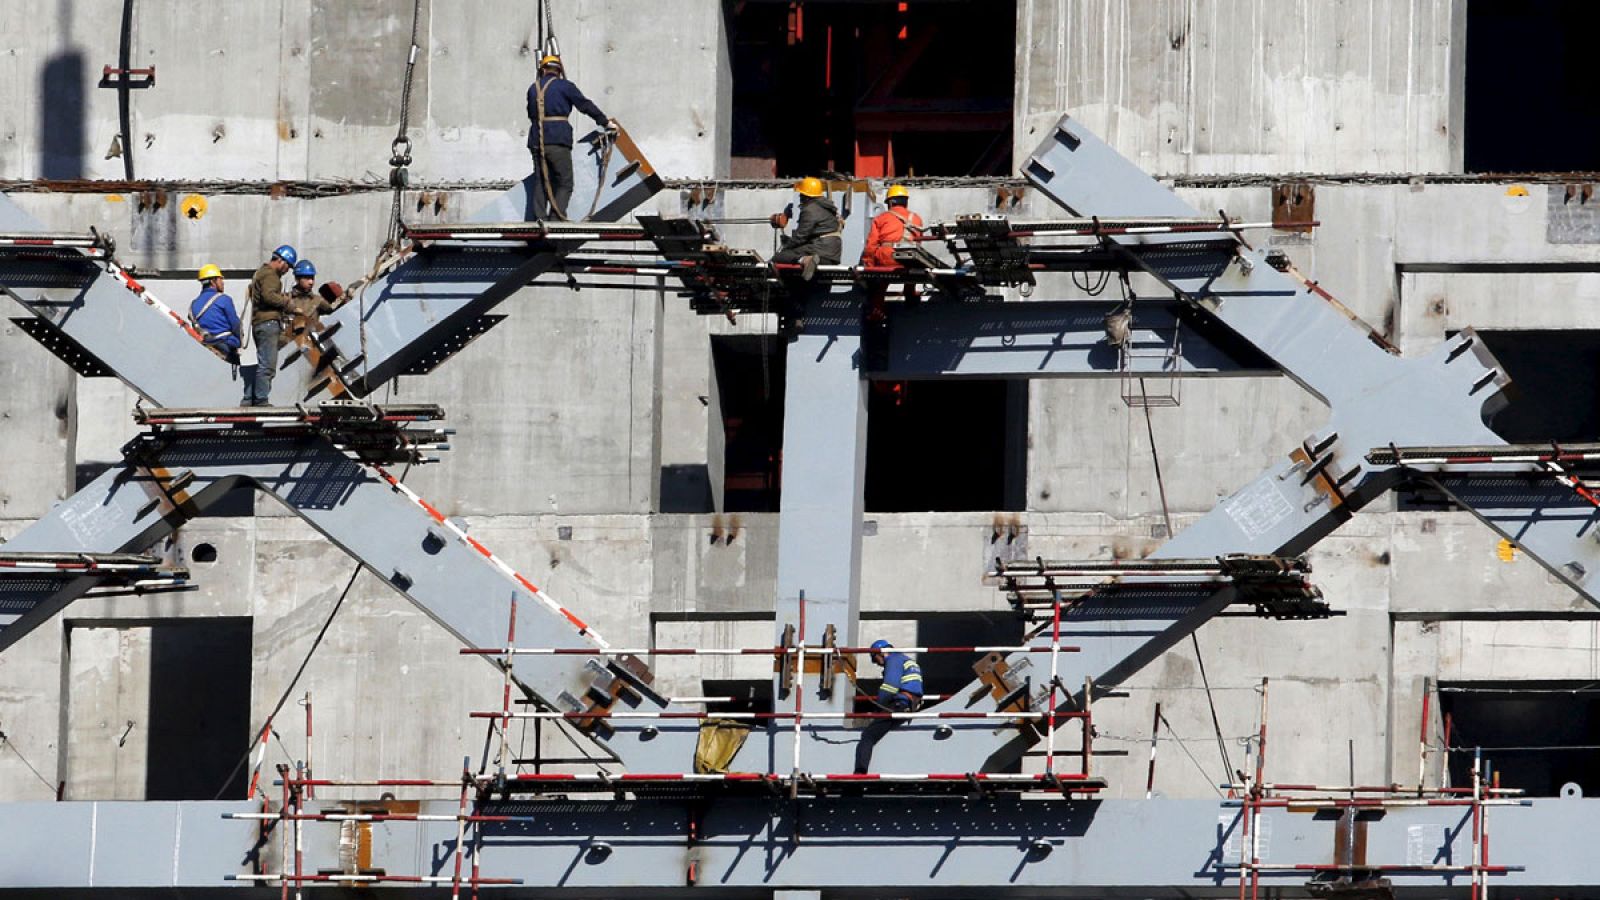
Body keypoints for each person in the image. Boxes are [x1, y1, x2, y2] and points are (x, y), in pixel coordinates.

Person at [526, 53, 614, 221]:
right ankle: (556, 218)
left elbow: (531, 113)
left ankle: (539, 217)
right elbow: (585, 105)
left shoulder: (532, 88)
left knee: (541, 180)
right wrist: (605, 122)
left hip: (537, 140)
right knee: (565, 182)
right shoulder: (565, 86)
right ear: (559, 71)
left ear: (543, 70)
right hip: (558, 140)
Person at [852, 639, 925, 774]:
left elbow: (889, 688)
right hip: (909, 705)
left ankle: (859, 773)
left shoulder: (894, 659)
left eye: (875, 659)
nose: (877, 664)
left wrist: (878, 708)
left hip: (899, 704)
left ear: (882, 652)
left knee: (868, 735)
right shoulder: (906, 660)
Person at [860, 184, 924, 322]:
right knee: (911, 269)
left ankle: (877, 313)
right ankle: (910, 291)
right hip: (909, 258)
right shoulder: (917, 218)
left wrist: (869, 266)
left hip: (887, 257)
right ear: (906, 201)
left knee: (879, 283)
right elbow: (918, 244)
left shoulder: (882, 218)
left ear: (890, 202)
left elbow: (871, 245)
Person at [242, 244, 296, 406]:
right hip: (268, 323)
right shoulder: (270, 275)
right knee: (268, 365)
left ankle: (249, 399)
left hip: (260, 323)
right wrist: (288, 303)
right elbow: (269, 297)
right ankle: (261, 400)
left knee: (262, 363)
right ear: (282, 261)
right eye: (288, 266)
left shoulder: (261, 273)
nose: (288, 270)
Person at [770, 177, 843, 280]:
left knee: (779, 257)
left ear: (806, 196)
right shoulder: (826, 206)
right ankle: (809, 260)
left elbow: (801, 237)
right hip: (832, 255)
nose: (800, 196)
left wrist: (787, 246)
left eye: (801, 194)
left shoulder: (810, 209)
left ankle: (805, 259)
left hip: (820, 249)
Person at [188, 264, 242, 361]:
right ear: (213, 282)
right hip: (227, 349)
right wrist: (239, 340)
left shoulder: (193, 305)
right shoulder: (224, 299)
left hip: (205, 350)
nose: (223, 283)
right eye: (220, 279)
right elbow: (236, 324)